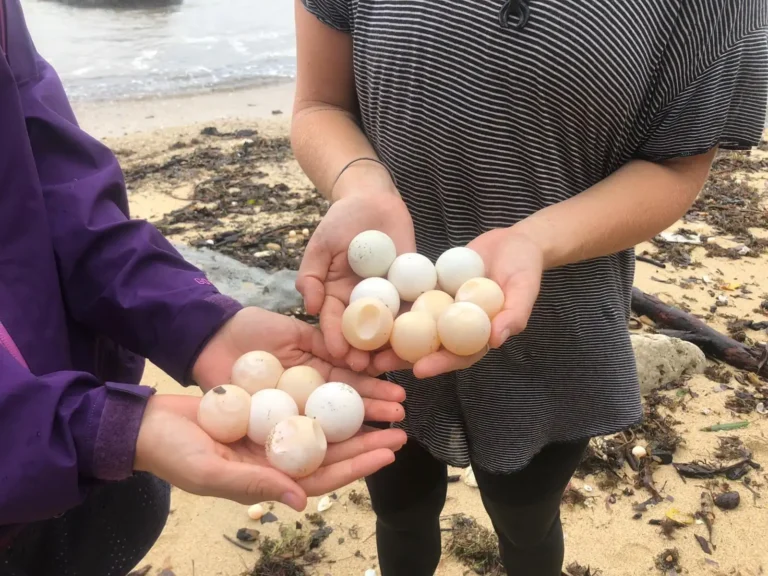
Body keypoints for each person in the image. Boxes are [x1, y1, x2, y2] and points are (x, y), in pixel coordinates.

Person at [291, 0, 768, 574]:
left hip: (556, 319)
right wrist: (359, 183)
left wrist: (537, 240)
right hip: (375, 310)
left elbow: (676, 163)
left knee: (526, 515)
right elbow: (320, 103)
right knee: (399, 508)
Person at [0, 2, 407, 575]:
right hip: (66, 437)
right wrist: (95, 428)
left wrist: (197, 323)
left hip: (74, 449)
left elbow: (53, 189)